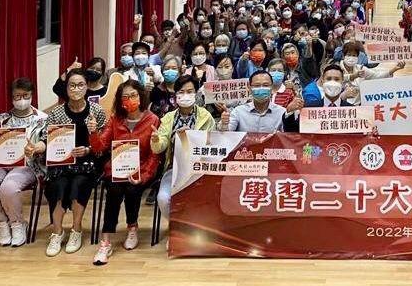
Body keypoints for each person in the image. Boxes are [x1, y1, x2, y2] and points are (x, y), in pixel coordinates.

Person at [88, 79, 161, 265]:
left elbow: (154, 155)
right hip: (117, 169)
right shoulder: (115, 119)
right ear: (120, 101)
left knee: (132, 189)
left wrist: (143, 176)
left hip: (141, 169)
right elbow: (100, 147)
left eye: (133, 95)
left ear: (141, 96)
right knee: (114, 190)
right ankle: (105, 242)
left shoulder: (152, 119)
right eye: (125, 97)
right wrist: (93, 132)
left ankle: (132, 227)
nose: (130, 99)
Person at [38, 68, 108, 257]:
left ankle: (76, 229)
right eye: (72, 85)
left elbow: (104, 143)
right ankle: (57, 232)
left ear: (87, 87)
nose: (76, 89)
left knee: (79, 183)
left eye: (80, 85)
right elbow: (46, 139)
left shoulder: (97, 111)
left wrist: (88, 148)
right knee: (57, 186)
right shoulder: (57, 112)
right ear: (66, 88)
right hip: (62, 161)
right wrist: (37, 147)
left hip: (88, 162)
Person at [0, 78, 47, 248]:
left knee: (9, 186)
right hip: (1, 164)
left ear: (32, 95)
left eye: (25, 95)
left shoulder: (42, 119)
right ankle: (2, 223)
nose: (22, 99)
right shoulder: (2, 119)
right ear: (12, 97)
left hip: (28, 164)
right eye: (17, 96)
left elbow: (46, 142)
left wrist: (36, 148)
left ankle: (17, 223)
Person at [151, 74, 214, 216]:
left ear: (196, 93)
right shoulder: (168, 118)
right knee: (163, 199)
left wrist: (192, 137)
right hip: (174, 170)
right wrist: (156, 140)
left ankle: (191, 226)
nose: (186, 95)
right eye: (181, 92)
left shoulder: (205, 116)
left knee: (203, 200)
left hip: (199, 170)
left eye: (190, 91)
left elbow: (212, 144)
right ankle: (175, 226)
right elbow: (159, 147)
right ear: (175, 95)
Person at [219, 71, 299, 132]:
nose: (261, 88)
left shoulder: (282, 112)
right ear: (249, 88)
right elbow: (227, 134)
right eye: (257, 86)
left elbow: (289, 137)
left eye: (265, 85)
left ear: (272, 87)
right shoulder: (238, 111)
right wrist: (224, 124)